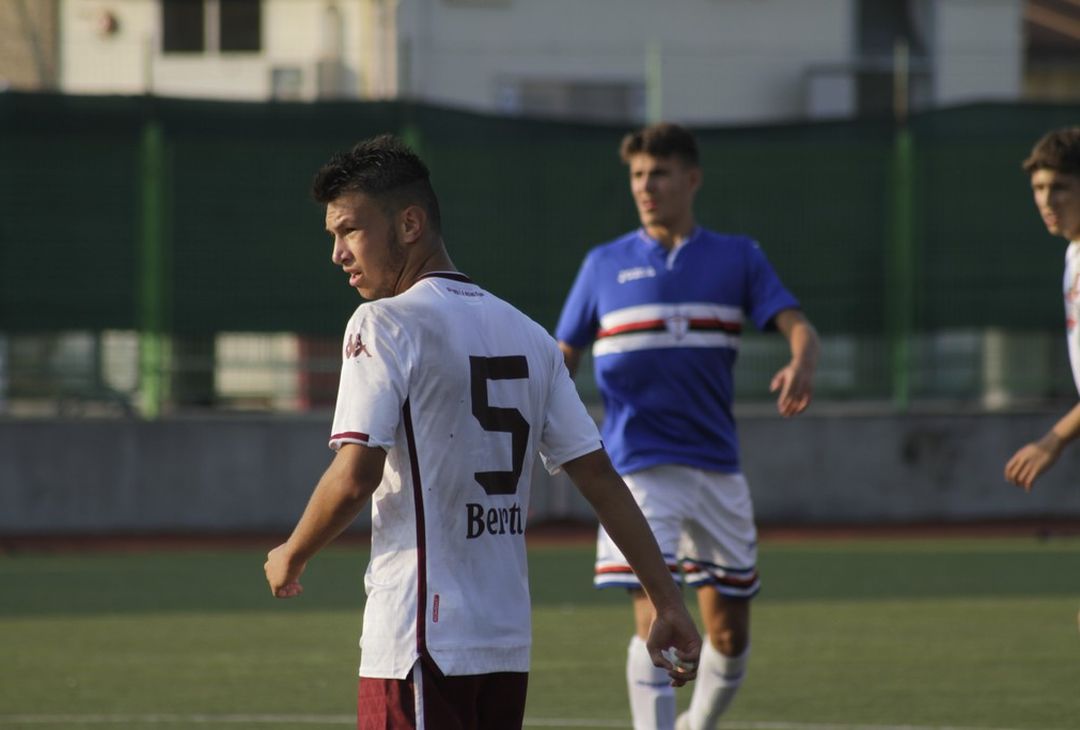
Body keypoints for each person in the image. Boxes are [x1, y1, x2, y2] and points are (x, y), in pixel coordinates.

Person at [263, 134, 702, 730]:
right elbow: (598, 476)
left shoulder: (383, 322)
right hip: (504, 641)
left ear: (411, 223)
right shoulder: (528, 334)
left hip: (419, 639)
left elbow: (355, 476)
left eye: (350, 230)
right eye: (333, 236)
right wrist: (667, 601)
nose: (338, 252)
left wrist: (292, 553)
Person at [555, 122, 819, 730]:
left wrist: (802, 360)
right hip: (637, 470)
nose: (646, 186)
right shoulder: (603, 264)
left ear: (691, 179)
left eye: (659, 174)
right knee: (655, 620)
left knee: (729, 634)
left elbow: (800, 326)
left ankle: (698, 725)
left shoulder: (737, 256)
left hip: (718, 469)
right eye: (638, 176)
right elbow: (559, 358)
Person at [1005, 127, 1080, 492]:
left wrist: (1054, 440)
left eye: (1060, 187)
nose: (1047, 201)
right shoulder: (1073, 254)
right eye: (1039, 188)